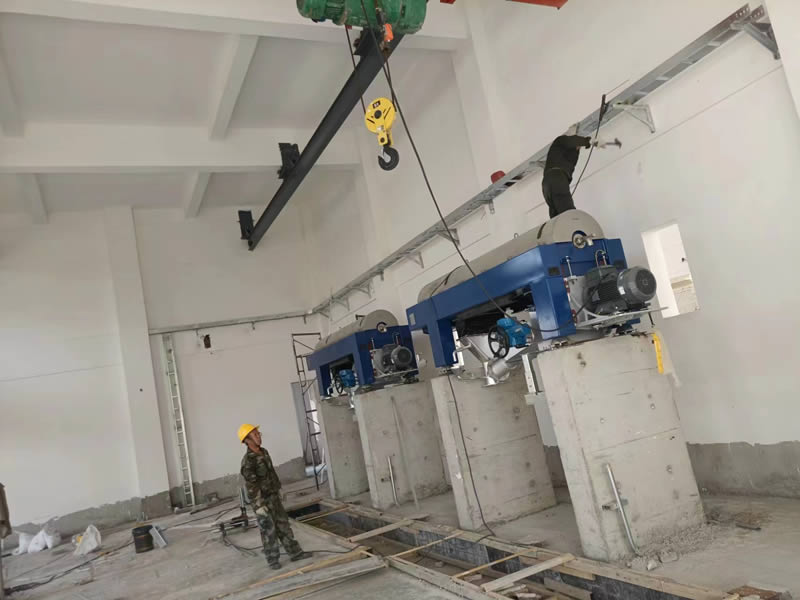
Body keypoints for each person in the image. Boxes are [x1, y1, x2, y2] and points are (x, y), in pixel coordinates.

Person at [239, 423, 311, 569]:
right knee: (268, 530)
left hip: (273, 496)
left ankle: (295, 553)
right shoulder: (248, 461)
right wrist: (259, 505)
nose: (259, 437)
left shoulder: (264, 452)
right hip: (261, 500)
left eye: (258, 434)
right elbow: (252, 486)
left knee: (283, 524)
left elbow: (271, 473)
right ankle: (272, 560)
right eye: (255, 435)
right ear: (247, 440)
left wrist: (278, 489)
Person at [542, 124, 615, 218]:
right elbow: (571, 141)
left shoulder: (563, 154)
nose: (578, 148)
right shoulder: (561, 141)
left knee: (557, 217)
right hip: (557, 179)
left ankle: (562, 225)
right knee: (568, 214)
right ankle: (571, 222)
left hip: (547, 185)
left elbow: (573, 146)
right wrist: (588, 141)